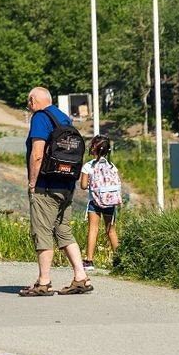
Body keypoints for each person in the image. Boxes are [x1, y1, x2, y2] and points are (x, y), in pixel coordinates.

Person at [22, 86, 91, 296]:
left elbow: (37, 154)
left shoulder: (40, 118)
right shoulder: (63, 118)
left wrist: (32, 183)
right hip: (66, 184)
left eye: (28, 102)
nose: (28, 106)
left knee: (42, 231)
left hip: (46, 185)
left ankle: (44, 282)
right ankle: (81, 277)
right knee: (63, 231)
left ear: (33, 101)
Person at [81, 135, 123, 263]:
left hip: (94, 202)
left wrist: (91, 183)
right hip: (110, 202)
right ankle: (120, 260)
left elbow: (83, 186)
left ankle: (89, 260)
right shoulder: (111, 166)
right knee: (111, 230)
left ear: (93, 148)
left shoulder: (88, 166)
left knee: (93, 229)